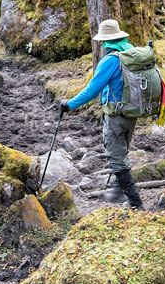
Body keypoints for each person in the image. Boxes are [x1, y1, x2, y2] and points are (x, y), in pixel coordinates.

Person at [60, 19, 144, 209]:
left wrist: (69, 105)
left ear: (104, 41)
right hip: (133, 111)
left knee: (115, 157)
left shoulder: (110, 60)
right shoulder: (131, 51)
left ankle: (136, 204)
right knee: (121, 151)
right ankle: (117, 189)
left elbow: (91, 91)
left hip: (116, 114)